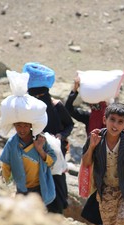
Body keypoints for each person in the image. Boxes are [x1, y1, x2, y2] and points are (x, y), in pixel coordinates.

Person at [22, 62, 74, 214]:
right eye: (35, 95)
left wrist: (61, 136)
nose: (39, 98)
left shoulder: (56, 106)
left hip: (56, 149)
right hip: (34, 149)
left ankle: (56, 210)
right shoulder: (28, 108)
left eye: (42, 95)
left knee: (57, 178)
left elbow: (69, 125)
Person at [65, 77, 107, 225]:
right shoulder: (88, 117)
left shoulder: (112, 120)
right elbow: (69, 109)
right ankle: (98, 222)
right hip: (92, 158)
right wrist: (74, 91)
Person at [0, 122, 57, 207]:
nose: (22, 130)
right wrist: (7, 185)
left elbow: (51, 161)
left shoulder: (40, 140)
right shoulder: (12, 143)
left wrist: (40, 150)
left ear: (31, 126)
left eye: (26, 126)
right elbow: (6, 165)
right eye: (19, 126)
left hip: (39, 186)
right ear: (14, 125)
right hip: (21, 188)